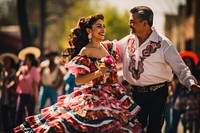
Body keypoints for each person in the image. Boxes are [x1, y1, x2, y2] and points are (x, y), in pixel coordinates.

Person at [14, 13, 142, 133]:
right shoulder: (86, 51)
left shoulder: (109, 46)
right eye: (98, 26)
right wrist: (98, 73)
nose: (103, 29)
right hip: (97, 96)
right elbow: (79, 80)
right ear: (89, 31)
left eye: (104, 26)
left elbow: (128, 42)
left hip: (116, 96)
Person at [117, 6, 200, 133]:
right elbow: (112, 51)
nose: (129, 24)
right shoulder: (127, 41)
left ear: (145, 23)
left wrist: (191, 82)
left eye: (132, 22)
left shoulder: (163, 44)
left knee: (154, 128)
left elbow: (180, 68)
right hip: (135, 94)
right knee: (133, 128)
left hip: (157, 94)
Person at [170, 51, 200, 133]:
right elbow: (173, 83)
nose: (186, 63)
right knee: (174, 121)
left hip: (194, 99)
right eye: (184, 61)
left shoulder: (196, 73)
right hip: (179, 97)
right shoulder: (177, 73)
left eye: (188, 61)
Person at [15, 46, 41, 126]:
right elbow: (17, 79)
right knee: (19, 113)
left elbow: (35, 83)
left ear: (30, 59)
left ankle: (30, 129)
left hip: (30, 95)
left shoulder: (34, 70)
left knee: (30, 114)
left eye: (26, 58)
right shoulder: (22, 68)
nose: (24, 60)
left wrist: (33, 95)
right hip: (22, 93)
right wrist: (18, 73)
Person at [0, 53, 18, 133]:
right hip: (3, 98)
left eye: (8, 61)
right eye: (5, 61)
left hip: (12, 98)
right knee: (4, 117)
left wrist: (10, 85)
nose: (7, 63)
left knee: (12, 116)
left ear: (11, 62)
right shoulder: (3, 72)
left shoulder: (14, 72)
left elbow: (15, 82)